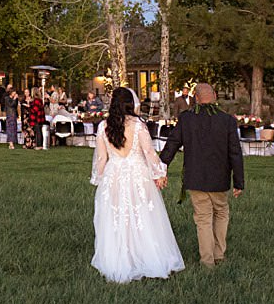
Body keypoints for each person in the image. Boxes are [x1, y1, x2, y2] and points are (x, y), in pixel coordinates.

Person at [89, 87, 185, 283]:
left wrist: (99, 179)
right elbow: (149, 152)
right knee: (142, 215)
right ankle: (145, 255)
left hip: (114, 173)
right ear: (131, 104)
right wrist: (159, 173)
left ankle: (120, 257)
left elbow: (101, 158)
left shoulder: (103, 127)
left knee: (117, 216)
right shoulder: (139, 125)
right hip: (137, 173)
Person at [158, 83, 245, 268]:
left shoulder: (187, 119)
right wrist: (239, 182)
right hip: (219, 178)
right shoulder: (227, 120)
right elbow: (235, 152)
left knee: (203, 218)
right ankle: (219, 254)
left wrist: (161, 166)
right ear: (214, 96)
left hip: (195, 176)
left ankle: (207, 261)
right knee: (221, 212)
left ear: (196, 98)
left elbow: (173, 143)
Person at [3, 84, 20, 150]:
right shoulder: (7, 98)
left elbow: (15, 106)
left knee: (14, 129)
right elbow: (10, 105)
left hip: (14, 115)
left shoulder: (14, 99)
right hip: (10, 115)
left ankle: (13, 142)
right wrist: (14, 99)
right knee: (10, 129)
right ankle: (10, 143)